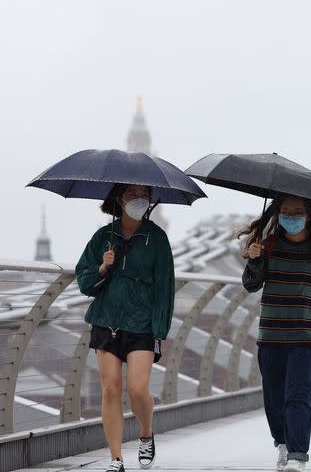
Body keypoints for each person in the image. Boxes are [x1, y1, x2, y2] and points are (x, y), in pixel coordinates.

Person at [241, 194, 311, 472]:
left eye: (298, 211)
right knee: (273, 398)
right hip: (271, 336)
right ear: (277, 214)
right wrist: (253, 259)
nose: (292, 215)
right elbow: (251, 285)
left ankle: (298, 455)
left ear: (309, 215)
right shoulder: (268, 245)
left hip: (306, 337)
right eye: (286, 211)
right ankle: (283, 444)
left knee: (297, 396)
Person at [75, 184, 174, 472]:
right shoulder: (104, 236)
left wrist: (159, 330)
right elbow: (84, 280)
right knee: (110, 389)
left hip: (142, 324)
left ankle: (146, 433)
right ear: (119, 199)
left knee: (137, 388)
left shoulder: (157, 239)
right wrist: (103, 268)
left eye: (143, 194)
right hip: (107, 319)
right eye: (132, 194)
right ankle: (115, 458)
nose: (138, 199)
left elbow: (165, 286)